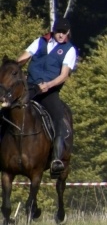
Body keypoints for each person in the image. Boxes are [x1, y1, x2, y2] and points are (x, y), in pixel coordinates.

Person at [16, 17, 77, 176]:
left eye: (64, 32)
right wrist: (13, 67)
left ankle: (56, 159)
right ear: (54, 30)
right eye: (59, 32)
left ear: (68, 32)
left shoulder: (69, 50)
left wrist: (48, 85)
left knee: (58, 120)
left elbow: (63, 75)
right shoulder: (40, 41)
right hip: (30, 87)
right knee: (7, 108)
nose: (61, 35)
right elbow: (24, 57)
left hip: (49, 92)